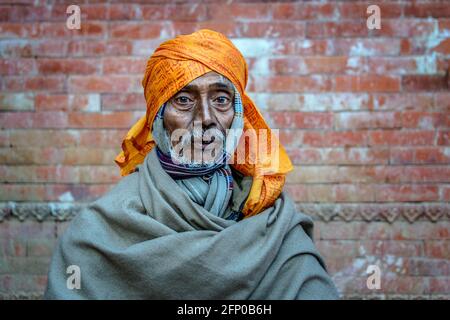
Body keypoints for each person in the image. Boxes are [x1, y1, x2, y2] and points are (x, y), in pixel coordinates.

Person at [44, 29, 339, 299]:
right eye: (184, 100)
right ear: (157, 119)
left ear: (237, 117)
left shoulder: (273, 221)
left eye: (221, 99)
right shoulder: (98, 232)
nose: (205, 117)